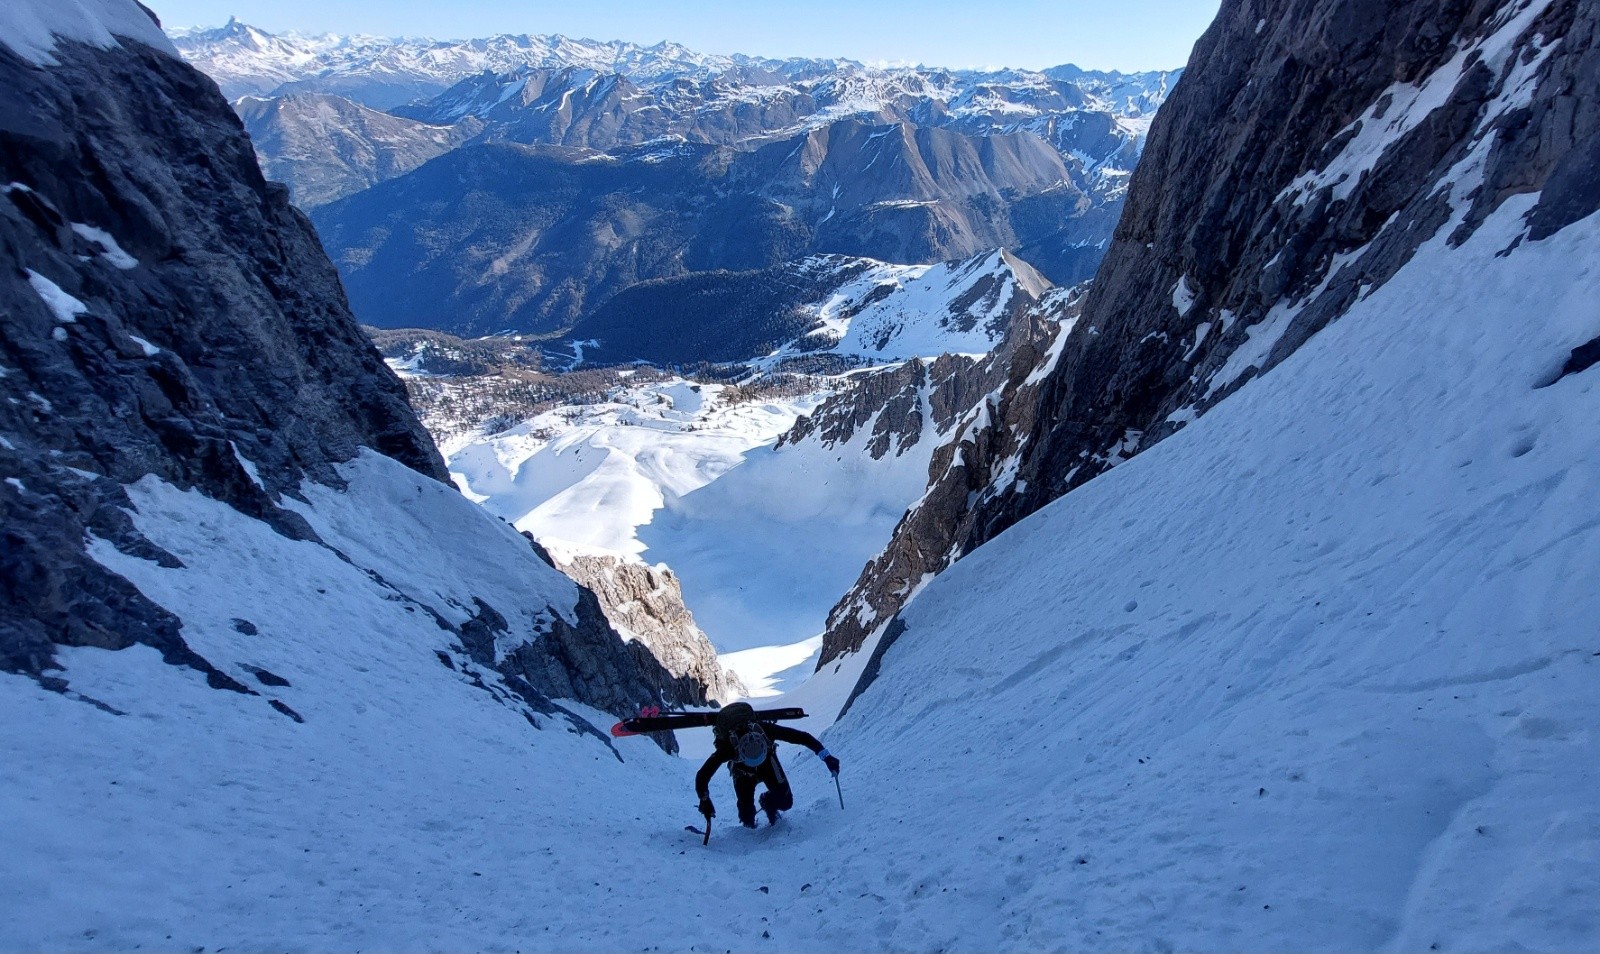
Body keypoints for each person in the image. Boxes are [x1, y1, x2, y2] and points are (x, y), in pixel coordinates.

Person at [695, 703, 840, 828]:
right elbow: (802, 737)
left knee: (785, 802)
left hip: (747, 770)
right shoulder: (733, 745)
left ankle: (767, 802)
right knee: (747, 815)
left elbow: (703, 775)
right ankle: (759, 810)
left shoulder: (734, 746)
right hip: (759, 766)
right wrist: (826, 756)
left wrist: (704, 800)